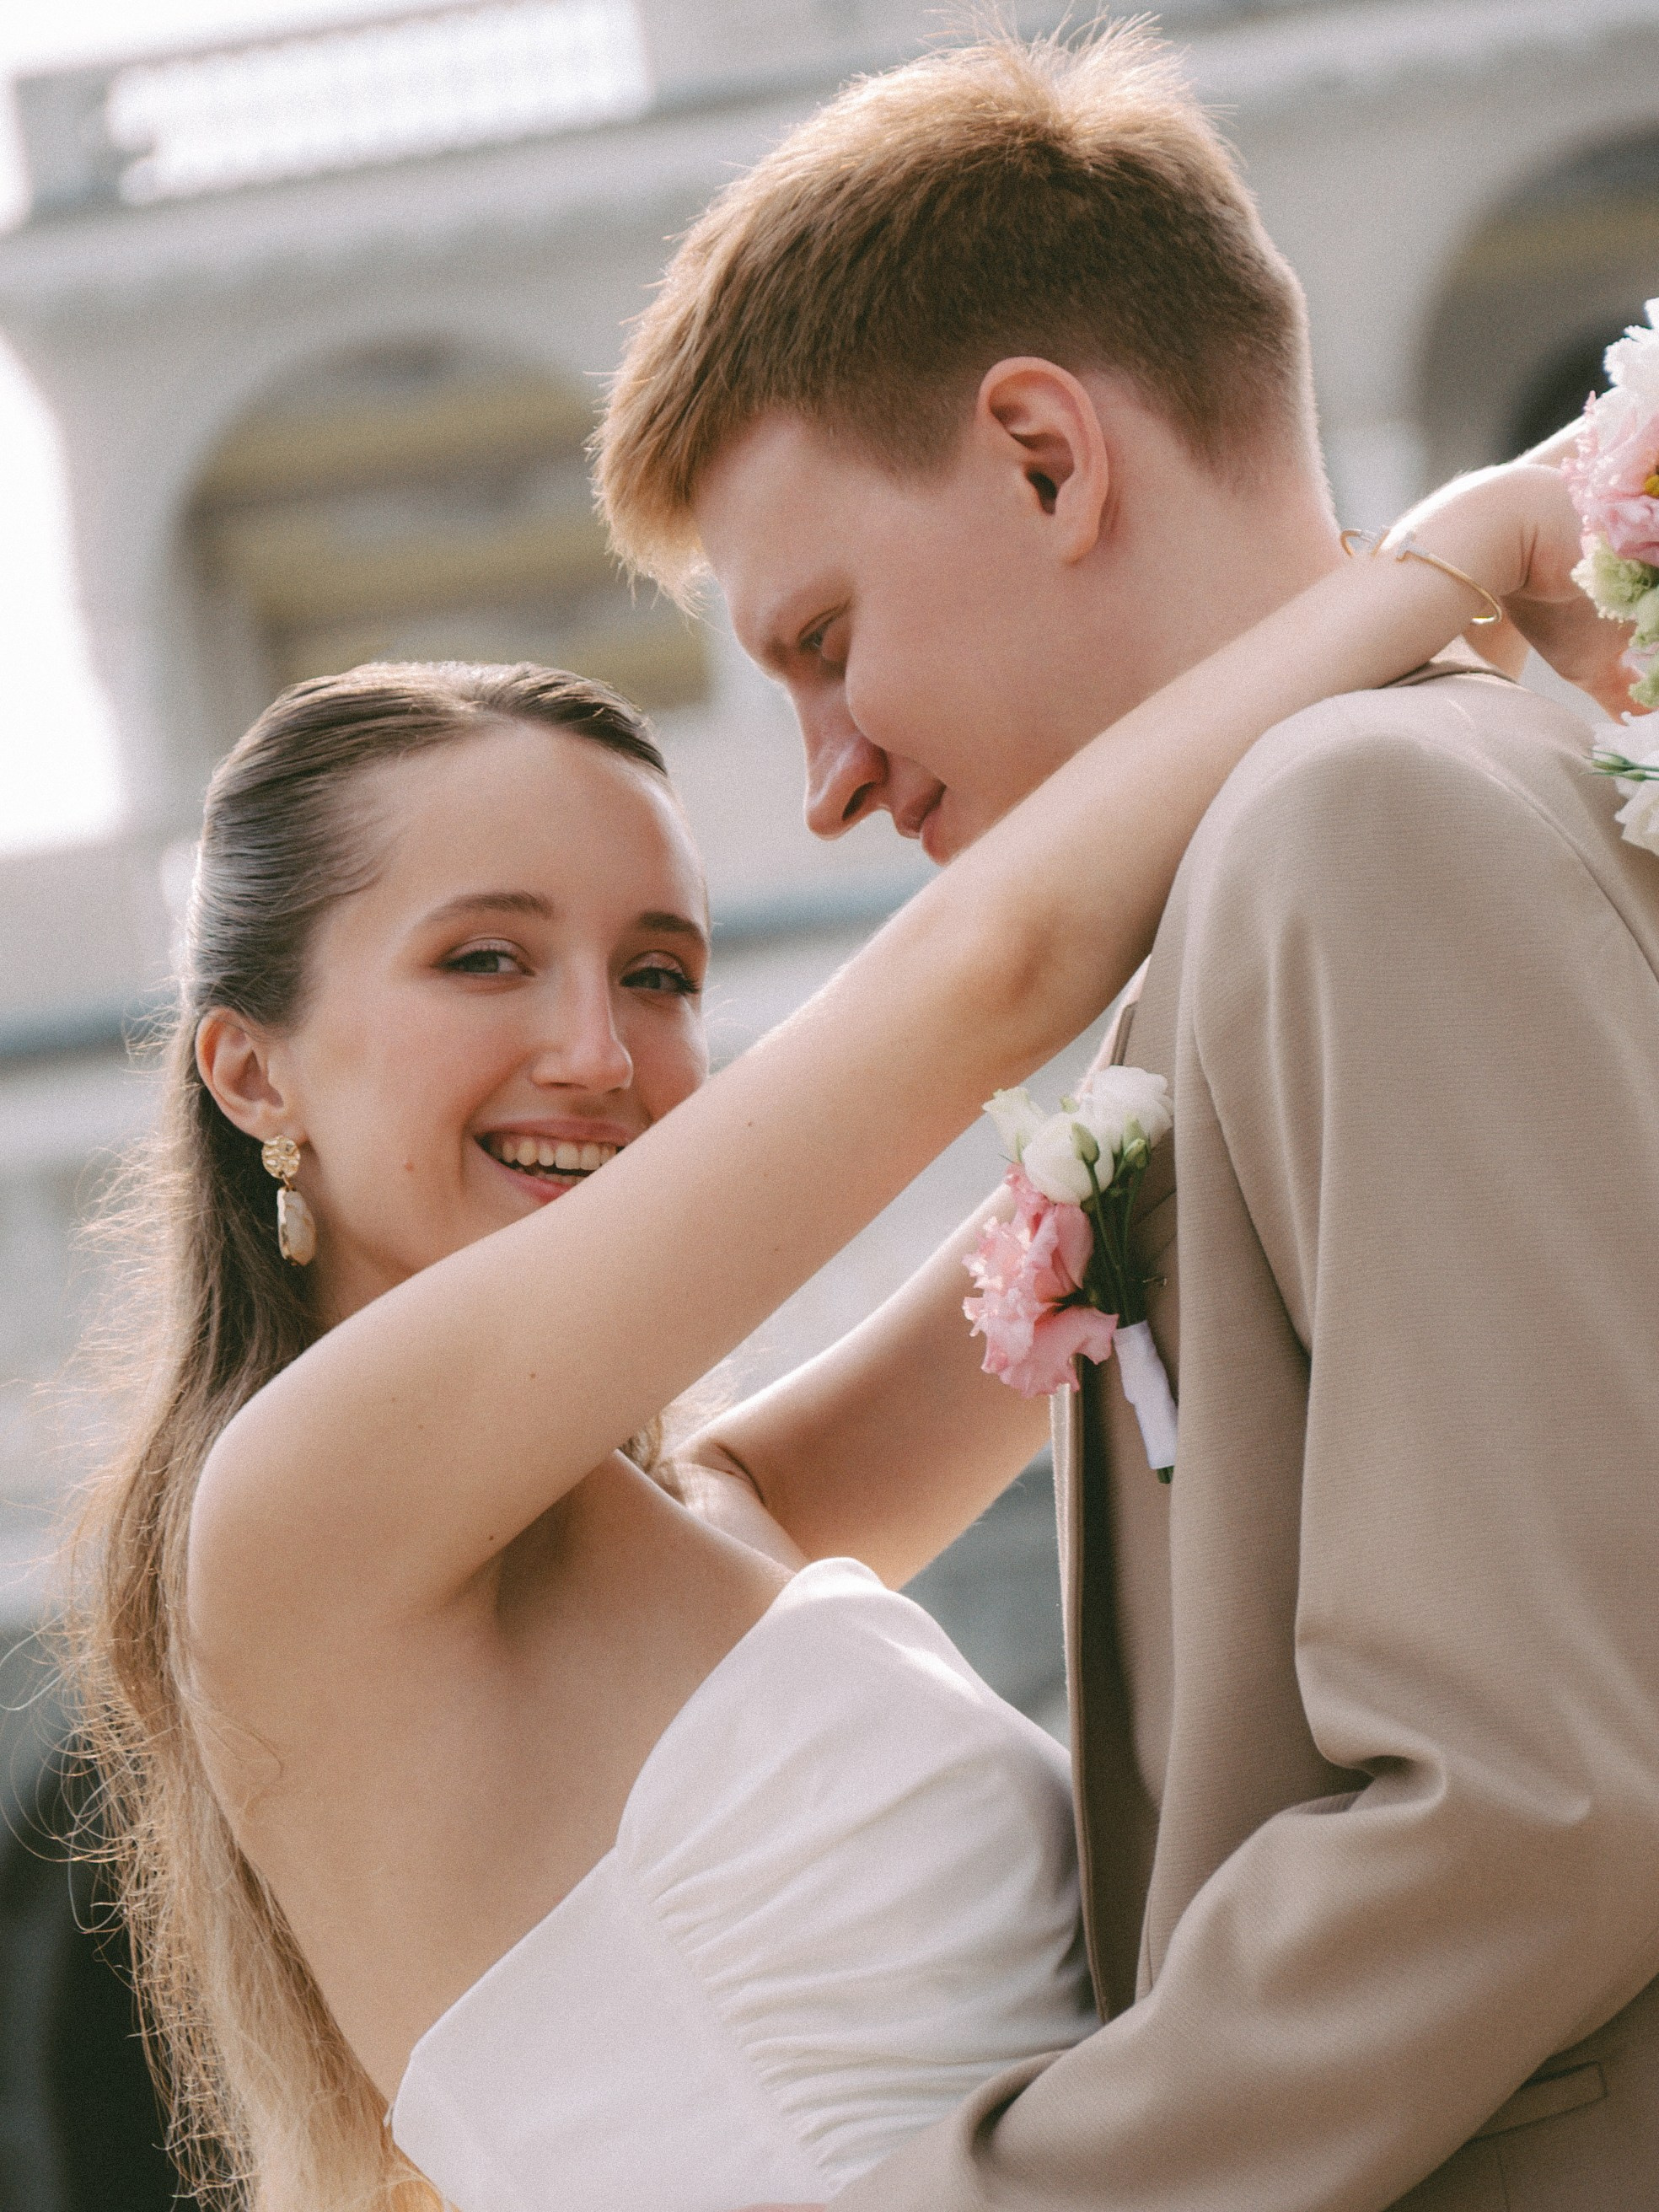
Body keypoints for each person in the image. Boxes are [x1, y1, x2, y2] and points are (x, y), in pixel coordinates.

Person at [69, 448, 1622, 2212]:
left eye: (658, 973)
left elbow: (1162, 1119)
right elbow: (993, 970)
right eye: (485, 960)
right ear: (251, 1068)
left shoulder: (741, 1509)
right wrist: (1446, 561)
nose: (599, 1051)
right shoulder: (296, 1519)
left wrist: (1541, 731)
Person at [594, 24, 1659, 2212]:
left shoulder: (1364, 827)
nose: (826, 778)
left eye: (822, 637)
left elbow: (1540, 1801)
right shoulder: (1282, 887)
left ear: (1047, 462)